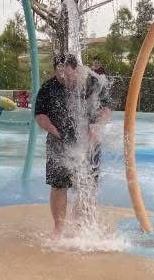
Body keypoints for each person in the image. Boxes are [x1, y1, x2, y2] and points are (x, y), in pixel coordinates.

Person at [35, 53, 111, 237]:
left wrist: (96, 125)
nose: (63, 78)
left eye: (67, 74)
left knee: (86, 186)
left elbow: (106, 108)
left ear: (76, 69)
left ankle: (81, 227)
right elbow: (40, 114)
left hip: (88, 143)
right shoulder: (48, 88)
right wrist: (51, 128)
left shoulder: (92, 82)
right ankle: (59, 228)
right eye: (59, 74)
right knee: (58, 186)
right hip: (58, 142)